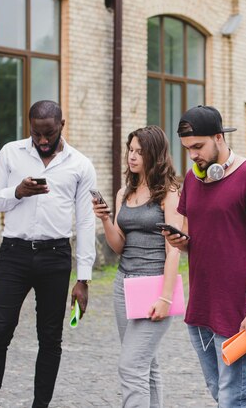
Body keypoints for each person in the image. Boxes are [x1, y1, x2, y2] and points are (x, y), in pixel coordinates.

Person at [0, 100, 97, 408]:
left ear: (62, 126)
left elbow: (85, 222)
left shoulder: (80, 164)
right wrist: (16, 192)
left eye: (49, 133)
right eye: (36, 134)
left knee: (50, 338)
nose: (43, 141)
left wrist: (83, 278)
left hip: (56, 257)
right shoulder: (11, 153)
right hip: (14, 254)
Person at [165, 105, 246, 408]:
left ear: (219, 137)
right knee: (221, 394)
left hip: (237, 315)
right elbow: (194, 240)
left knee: (235, 400)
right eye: (187, 149)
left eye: (198, 146)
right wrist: (180, 242)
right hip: (200, 310)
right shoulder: (192, 179)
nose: (193, 155)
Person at [92, 125, 182, 408]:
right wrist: (106, 220)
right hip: (124, 286)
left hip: (155, 286)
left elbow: (174, 250)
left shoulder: (168, 193)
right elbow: (119, 245)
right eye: (130, 150)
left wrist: (166, 298)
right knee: (145, 363)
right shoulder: (124, 194)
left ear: (154, 155)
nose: (132, 157)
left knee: (131, 366)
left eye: (139, 152)